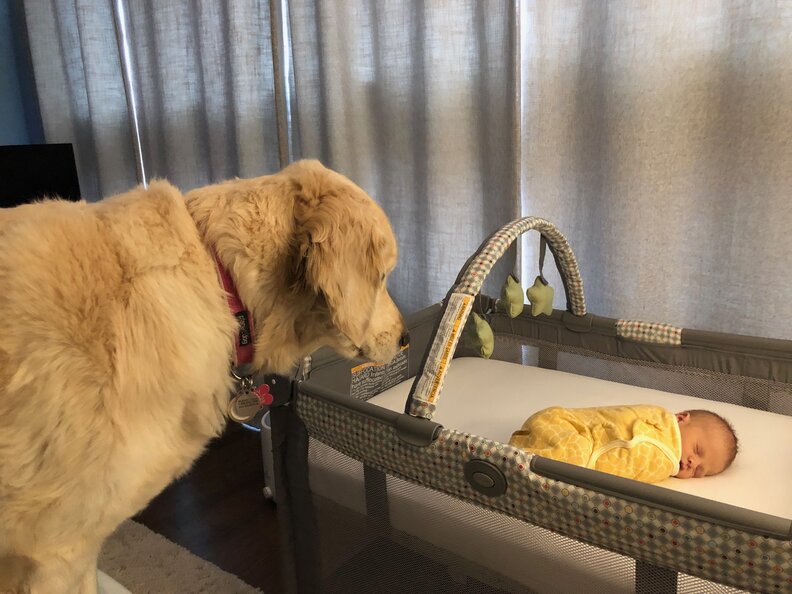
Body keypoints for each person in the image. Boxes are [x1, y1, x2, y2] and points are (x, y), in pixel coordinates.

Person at [509, 404, 738, 483]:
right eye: (697, 450)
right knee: (573, 457)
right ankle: (509, 462)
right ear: (680, 418)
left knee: (571, 470)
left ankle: (516, 459)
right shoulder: (658, 420)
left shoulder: (661, 467)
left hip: (578, 447)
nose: (691, 462)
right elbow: (617, 421)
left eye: (700, 470)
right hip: (564, 425)